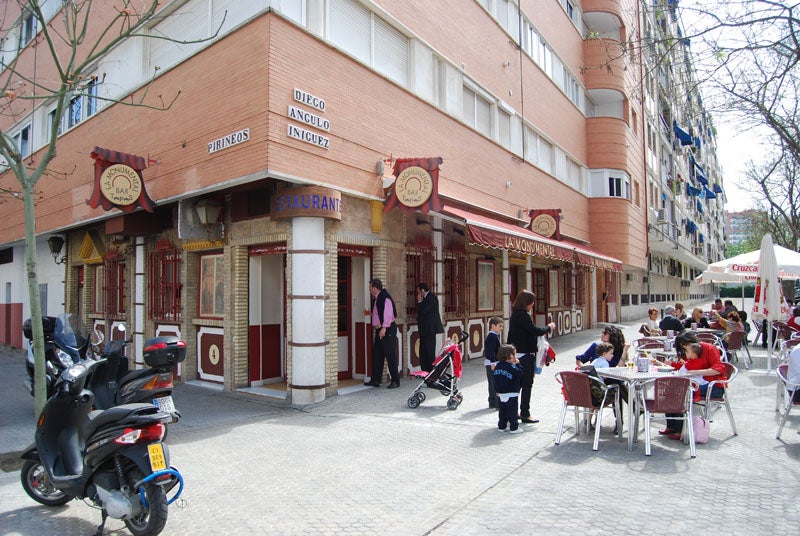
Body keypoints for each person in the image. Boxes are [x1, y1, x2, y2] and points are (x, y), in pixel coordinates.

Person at [652, 340, 726, 440]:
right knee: (670, 392)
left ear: (693, 354)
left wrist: (688, 366)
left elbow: (689, 368)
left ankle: (679, 429)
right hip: (694, 384)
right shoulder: (691, 360)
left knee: (679, 395)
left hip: (704, 386)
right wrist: (671, 364)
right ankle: (671, 425)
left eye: (687, 351)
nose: (685, 353)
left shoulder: (698, 360)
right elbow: (682, 367)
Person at [506, 290, 554, 425]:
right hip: (524, 356)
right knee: (526, 384)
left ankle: (514, 411)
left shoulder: (515, 315)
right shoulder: (522, 316)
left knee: (519, 385)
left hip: (518, 354)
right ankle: (525, 414)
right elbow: (535, 330)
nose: (533, 305)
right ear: (526, 303)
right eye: (531, 302)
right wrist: (548, 327)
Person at [363, 279, 400, 389]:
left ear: (374, 288)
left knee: (390, 355)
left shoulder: (385, 297)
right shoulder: (377, 298)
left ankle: (395, 381)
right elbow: (379, 313)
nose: (369, 290)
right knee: (377, 355)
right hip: (380, 330)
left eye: (370, 287)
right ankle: (375, 380)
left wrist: (384, 328)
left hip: (386, 330)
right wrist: (370, 314)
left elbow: (388, 315)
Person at [493, 344, 523, 434]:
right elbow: (519, 374)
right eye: (514, 354)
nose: (515, 356)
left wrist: (497, 390)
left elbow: (495, 380)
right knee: (512, 411)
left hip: (501, 393)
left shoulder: (497, 366)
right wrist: (518, 364)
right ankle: (514, 428)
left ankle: (502, 426)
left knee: (502, 411)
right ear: (509, 355)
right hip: (512, 392)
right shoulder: (511, 366)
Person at [415, 282, 444, 372]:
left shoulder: (432, 298)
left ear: (422, 290)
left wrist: (419, 301)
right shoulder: (425, 298)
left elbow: (424, 310)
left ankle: (432, 371)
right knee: (423, 352)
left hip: (430, 330)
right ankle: (424, 371)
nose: (418, 294)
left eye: (419, 292)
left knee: (429, 351)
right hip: (423, 330)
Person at [484, 316, 503, 409]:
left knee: (492, 383)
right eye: (500, 326)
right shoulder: (492, 336)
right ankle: (495, 402)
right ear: (493, 326)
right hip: (492, 363)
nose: (501, 328)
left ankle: (492, 401)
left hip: (492, 363)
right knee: (494, 383)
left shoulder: (493, 336)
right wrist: (493, 363)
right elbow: (490, 351)